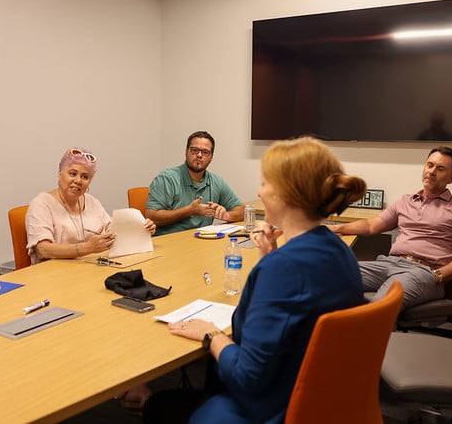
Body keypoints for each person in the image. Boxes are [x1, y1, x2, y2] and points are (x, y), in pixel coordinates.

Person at [144, 136, 366, 424]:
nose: (259, 193)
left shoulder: (283, 269)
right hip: (321, 395)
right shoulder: (338, 249)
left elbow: (248, 376)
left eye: (265, 184)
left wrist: (211, 334)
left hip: (274, 407)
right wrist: (268, 256)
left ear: (287, 194)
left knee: (159, 406)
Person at [328, 146, 452, 309]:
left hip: (423, 272)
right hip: (387, 264)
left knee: (380, 306)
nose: (432, 172)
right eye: (429, 165)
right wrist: (334, 229)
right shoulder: (406, 202)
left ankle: (362, 332)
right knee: (326, 276)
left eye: (440, 169)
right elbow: (370, 226)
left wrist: (438, 275)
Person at [26, 148, 156, 264]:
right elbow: (43, 250)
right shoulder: (41, 204)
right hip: (52, 274)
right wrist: (87, 248)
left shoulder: (92, 202)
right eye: (72, 174)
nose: (78, 180)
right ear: (60, 174)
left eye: (85, 177)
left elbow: (112, 231)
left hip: (88, 268)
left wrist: (141, 228)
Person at [145, 131, 244, 236]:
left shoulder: (216, 181)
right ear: (186, 152)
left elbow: (242, 211)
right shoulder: (167, 178)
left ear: (211, 157)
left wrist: (225, 215)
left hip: (200, 242)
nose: (199, 155)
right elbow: (151, 216)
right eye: (194, 150)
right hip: (169, 241)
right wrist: (189, 211)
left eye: (205, 152)